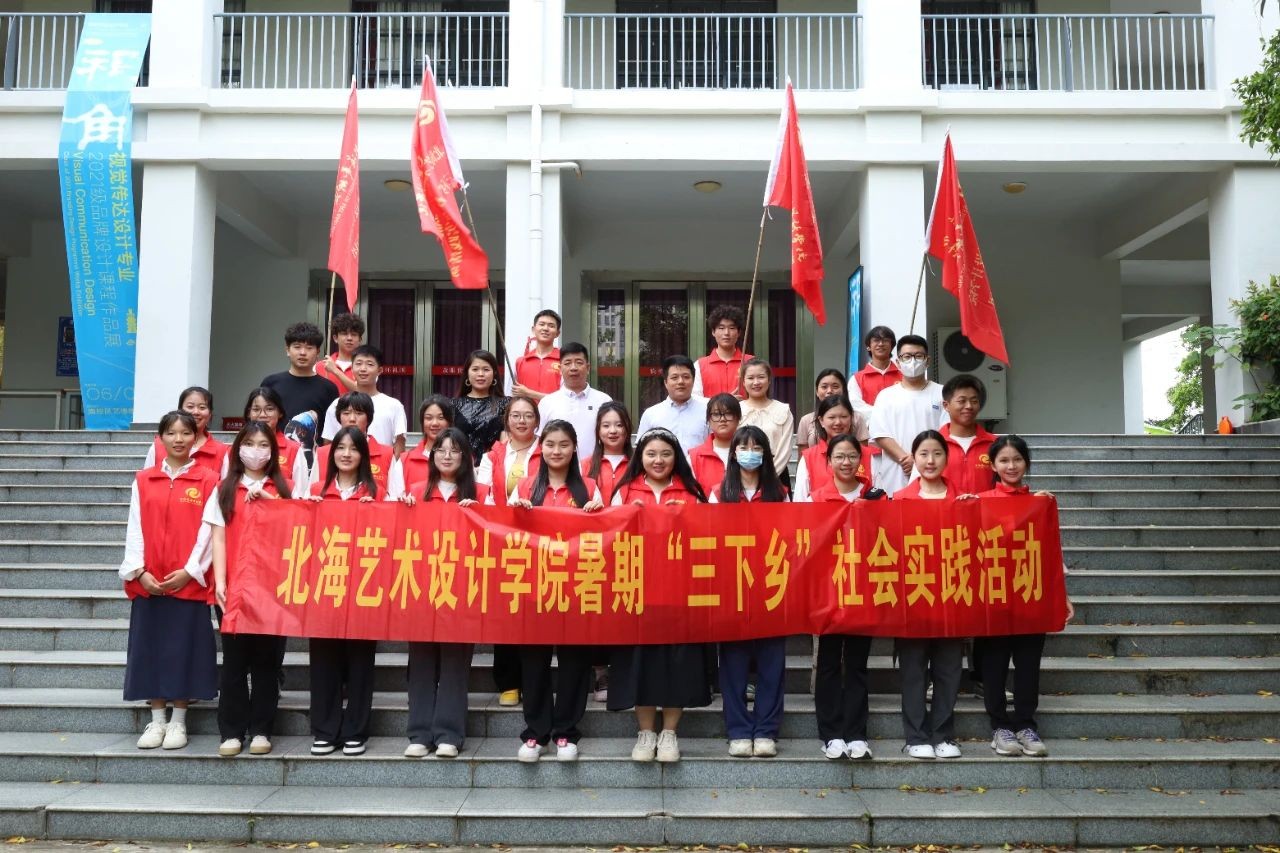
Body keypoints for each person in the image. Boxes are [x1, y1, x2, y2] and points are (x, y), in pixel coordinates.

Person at [119, 410, 221, 751]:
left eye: (185, 433)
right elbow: (134, 527)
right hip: (150, 582)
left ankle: (179, 720)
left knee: (184, 649)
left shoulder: (208, 480)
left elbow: (209, 532)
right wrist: (139, 571)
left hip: (187, 581)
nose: (178, 439)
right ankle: (157, 719)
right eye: (171, 433)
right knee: (150, 647)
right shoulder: (144, 479)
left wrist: (191, 570)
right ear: (160, 438)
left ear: (196, 438)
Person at [609, 428, 711, 763]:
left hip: (679, 593)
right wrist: (627, 517)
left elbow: (708, 537)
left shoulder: (692, 492)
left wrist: (685, 518)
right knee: (640, 663)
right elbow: (607, 537)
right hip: (637, 593)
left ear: (675, 457)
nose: (658, 460)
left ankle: (669, 732)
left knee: (677, 664)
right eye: (651, 454)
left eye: (665, 454)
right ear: (640, 457)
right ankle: (645, 732)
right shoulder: (625, 491)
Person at [510, 420, 605, 762]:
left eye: (564, 444)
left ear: (575, 448)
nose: (556, 451)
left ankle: (566, 731)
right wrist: (516, 515)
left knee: (574, 662)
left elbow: (605, 536)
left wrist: (597, 514)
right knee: (533, 662)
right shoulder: (524, 486)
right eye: (550, 444)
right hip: (534, 588)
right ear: (541, 448)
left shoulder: (589, 488)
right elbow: (505, 533)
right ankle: (536, 733)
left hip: (577, 588)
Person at [975, 434, 1074, 759]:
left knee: (1029, 664)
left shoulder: (1040, 503)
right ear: (993, 465)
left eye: (1017, 459)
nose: (1011, 466)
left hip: (1031, 592)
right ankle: (999, 727)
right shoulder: (980, 501)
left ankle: (1026, 725)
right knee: (994, 664)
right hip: (994, 595)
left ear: (1026, 463)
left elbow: (1050, 552)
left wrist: (1061, 594)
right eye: (1004, 460)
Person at [397, 427, 485, 759]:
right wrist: (402, 509)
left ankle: (449, 733)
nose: (447, 456)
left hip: (463, 589)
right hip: (422, 587)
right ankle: (419, 733)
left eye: (454, 450)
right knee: (421, 661)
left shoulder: (482, 493)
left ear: (466, 457)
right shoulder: (415, 492)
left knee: (455, 663)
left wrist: (481, 513)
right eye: (440, 450)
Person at [210, 421, 292, 757]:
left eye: (263, 445)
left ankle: (261, 729)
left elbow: (294, 531)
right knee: (233, 661)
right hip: (233, 588)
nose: (255, 451)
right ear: (238, 449)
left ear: (273, 452)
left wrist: (271, 500)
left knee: (266, 662)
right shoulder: (224, 488)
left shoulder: (283, 489)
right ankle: (231, 731)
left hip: (272, 590)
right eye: (249, 443)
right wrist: (220, 581)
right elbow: (217, 537)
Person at [709, 425, 789, 758]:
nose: (750, 453)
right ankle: (739, 730)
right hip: (732, 587)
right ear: (733, 454)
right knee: (733, 664)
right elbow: (709, 537)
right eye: (744, 447)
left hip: (771, 585)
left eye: (757, 447)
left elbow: (789, 536)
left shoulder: (779, 492)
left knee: (772, 663)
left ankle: (767, 730)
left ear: (766, 454)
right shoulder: (719, 492)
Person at [305, 425, 378, 756]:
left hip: (363, 588)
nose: (346, 454)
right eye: (340, 448)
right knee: (323, 661)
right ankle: (324, 730)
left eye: (354, 448)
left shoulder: (377, 494)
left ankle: (356, 731)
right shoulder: (315, 491)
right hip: (324, 587)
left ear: (363, 455)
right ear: (331, 453)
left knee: (361, 663)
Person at [894, 429, 964, 760]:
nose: (930, 460)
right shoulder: (899, 499)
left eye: (937, 453)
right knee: (913, 670)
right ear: (914, 458)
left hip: (953, 595)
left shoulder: (964, 500)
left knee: (949, 669)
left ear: (947, 458)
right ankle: (916, 735)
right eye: (923, 454)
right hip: (913, 597)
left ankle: (943, 734)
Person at [806, 433, 875, 760]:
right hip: (828, 592)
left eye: (852, 456)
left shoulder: (875, 496)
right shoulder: (816, 498)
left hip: (864, 591)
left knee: (858, 665)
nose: (846, 462)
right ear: (828, 461)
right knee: (829, 664)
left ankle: (857, 734)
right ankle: (831, 734)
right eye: (839, 457)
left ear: (860, 460)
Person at [476, 395, 542, 706]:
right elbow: (484, 494)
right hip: (502, 542)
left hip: (540, 541)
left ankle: (534, 681)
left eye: (528, 415)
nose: (521, 421)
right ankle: (508, 683)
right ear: (507, 420)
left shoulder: (547, 449)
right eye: (515, 415)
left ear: (536, 421)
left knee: (535, 612)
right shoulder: (493, 455)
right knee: (507, 612)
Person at [868, 335, 948, 494]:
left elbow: (946, 431)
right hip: (896, 473)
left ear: (927, 361)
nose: (913, 361)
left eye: (918, 356)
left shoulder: (942, 393)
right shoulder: (886, 395)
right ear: (898, 362)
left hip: (933, 471)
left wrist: (920, 461)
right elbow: (880, 434)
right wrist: (906, 459)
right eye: (907, 357)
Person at [260, 322, 340, 452]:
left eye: (309, 348)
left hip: (313, 457)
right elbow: (260, 423)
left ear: (317, 352)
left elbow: (332, 431)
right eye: (297, 347)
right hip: (275, 454)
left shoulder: (328, 388)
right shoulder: (271, 383)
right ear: (287, 350)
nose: (303, 353)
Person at [320, 345, 408, 457]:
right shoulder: (337, 404)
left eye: (369, 364)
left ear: (380, 370)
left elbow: (399, 446)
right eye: (358, 364)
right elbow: (328, 443)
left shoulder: (394, 406)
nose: (363, 369)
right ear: (352, 369)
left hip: (381, 466)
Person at [312, 392, 403, 499]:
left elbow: (394, 498)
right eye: (346, 413)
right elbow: (310, 493)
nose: (352, 419)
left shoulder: (386, 454)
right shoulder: (322, 453)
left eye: (359, 413)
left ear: (369, 418)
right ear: (339, 417)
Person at [538, 341, 613, 459]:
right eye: (567, 363)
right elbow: (539, 441)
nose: (573, 368)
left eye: (579, 362)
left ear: (588, 368)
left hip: (595, 468)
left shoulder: (604, 401)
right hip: (559, 468)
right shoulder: (547, 403)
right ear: (560, 368)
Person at [794, 395, 870, 502]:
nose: (838, 422)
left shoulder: (868, 455)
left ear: (851, 418)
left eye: (844, 416)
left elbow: (879, 499)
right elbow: (799, 502)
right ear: (821, 421)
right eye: (831, 417)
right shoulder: (809, 457)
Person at [141, 386, 228, 475]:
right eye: (190, 406)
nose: (196, 412)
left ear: (210, 414)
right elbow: (146, 479)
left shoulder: (221, 452)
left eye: (202, 407)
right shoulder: (158, 446)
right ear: (180, 411)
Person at [738, 357, 795, 485]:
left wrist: (769, 477)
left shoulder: (783, 410)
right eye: (750, 378)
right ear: (743, 382)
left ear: (769, 380)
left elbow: (785, 450)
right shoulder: (737, 410)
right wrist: (746, 477)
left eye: (761, 377)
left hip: (777, 475)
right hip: (742, 476)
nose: (756, 382)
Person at [636, 355, 709, 453]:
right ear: (666, 382)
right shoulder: (651, 414)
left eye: (686, 377)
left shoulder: (707, 411)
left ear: (693, 380)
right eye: (674, 377)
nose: (681, 382)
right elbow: (641, 450)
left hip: (698, 463)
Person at [940, 374, 997, 495]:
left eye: (974, 401)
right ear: (946, 406)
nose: (969, 406)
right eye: (962, 401)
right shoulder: (934, 444)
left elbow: (1008, 486)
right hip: (945, 507)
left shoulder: (995, 444)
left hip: (986, 507)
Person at [243, 386, 311, 488]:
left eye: (269, 409)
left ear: (280, 413)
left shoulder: (293, 449)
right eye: (256, 409)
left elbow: (301, 491)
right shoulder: (237, 448)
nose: (262, 415)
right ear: (248, 413)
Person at [451, 349, 510, 464]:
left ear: (494, 373)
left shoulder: (506, 404)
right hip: (461, 467)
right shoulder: (453, 405)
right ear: (467, 373)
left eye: (486, 369)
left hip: (494, 465)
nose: (481, 374)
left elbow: (506, 442)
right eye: (475, 369)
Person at [797, 369, 868, 451]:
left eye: (835, 387)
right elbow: (803, 456)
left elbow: (864, 453)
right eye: (824, 387)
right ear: (817, 391)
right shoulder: (806, 420)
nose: (829, 391)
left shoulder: (857, 418)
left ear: (843, 390)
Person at [687, 393, 740, 497]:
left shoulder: (750, 452)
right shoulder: (694, 457)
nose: (722, 419)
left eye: (728, 413)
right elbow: (690, 496)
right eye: (716, 415)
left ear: (738, 418)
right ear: (708, 420)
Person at [692, 304, 750, 399]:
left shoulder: (750, 362)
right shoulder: (699, 365)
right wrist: (723, 403)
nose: (726, 333)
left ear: (739, 332)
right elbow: (696, 399)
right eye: (721, 328)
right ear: (713, 332)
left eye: (732, 328)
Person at [506, 309, 562, 401]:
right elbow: (509, 396)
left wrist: (529, 393)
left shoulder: (564, 361)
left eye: (551, 326)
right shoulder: (520, 362)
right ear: (533, 329)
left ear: (557, 333)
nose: (545, 328)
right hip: (525, 410)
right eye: (542, 324)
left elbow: (567, 399)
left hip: (555, 411)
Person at [847, 326, 902, 421]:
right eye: (876, 340)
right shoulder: (856, 379)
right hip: (870, 428)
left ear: (892, 346)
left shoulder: (904, 375)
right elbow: (856, 406)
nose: (881, 344)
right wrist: (884, 415)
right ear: (868, 346)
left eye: (885, 340)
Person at [584, 401, 633, 505]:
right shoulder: (584, 465)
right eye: (606, 426)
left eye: (619, 425)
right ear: (598, 430)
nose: (613, 431)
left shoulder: (638, 466)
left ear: (627, 429)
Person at [401, 396, 455, 487]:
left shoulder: (462, 458)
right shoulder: (405, 460)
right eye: (429, 418)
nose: (434, 423)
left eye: (441, 418)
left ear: (449, 422)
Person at [315, 312, 364, 395]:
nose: (349, 338)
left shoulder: (366, 367)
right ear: (335, 338)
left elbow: (364, 392)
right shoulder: (319, 366)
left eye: (354, 334)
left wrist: (335, 370)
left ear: (360, 340)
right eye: (344, 334)